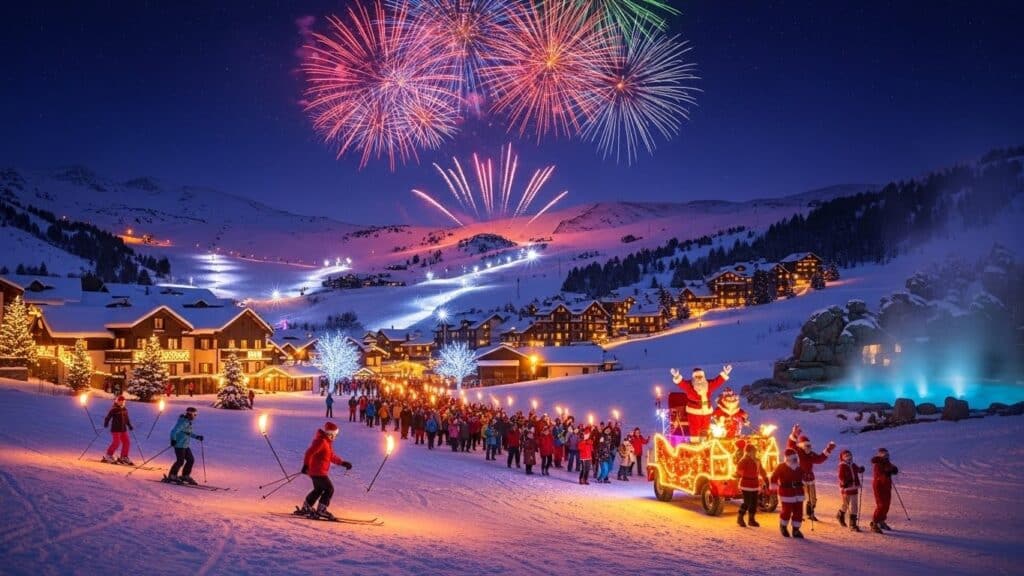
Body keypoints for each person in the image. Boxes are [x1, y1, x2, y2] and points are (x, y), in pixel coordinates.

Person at [298, 422, 352, 520]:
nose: (335, 437)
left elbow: (331, 456)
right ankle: (321, 510)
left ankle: (306, 507)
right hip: (318, 471)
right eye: (335, 434)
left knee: (318, 489)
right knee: (329, 489)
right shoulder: (322, 441)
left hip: (317, 471)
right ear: (330, 433)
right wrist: (306, 465)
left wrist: (342, 463)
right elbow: (309, 452)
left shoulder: (326, 442)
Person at [787, 424, 836, 521]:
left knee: (812, 498)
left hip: (810, 478)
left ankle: (810, 513)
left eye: (809, 446)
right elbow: (790, 446)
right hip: (800, 478)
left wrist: (828, 449)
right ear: (801, 446)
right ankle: (797, 514)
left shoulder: (811, 454)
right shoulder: (798, 452)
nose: (808, 448)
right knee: (799, 497)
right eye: (806, 446)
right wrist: (794, 434)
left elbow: (820, 459)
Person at [669, 364, 732, 437]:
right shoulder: (689, 386)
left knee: (705, 429)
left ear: (703, 376)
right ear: (693, 377)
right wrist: (677, 376)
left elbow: (717, 382)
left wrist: (725, 373)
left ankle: (704, 442)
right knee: (695, 430)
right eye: (696, 377)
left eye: (700, 376)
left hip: (707, 412)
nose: (699, 379)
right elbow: (681, 383)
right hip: (694, 412)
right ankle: (695, 443)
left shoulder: (708, 385)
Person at [770, 447, 806, 538]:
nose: (795, 460)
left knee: (799, 512)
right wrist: (773, 488)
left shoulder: (799, 467)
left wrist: (807, 478)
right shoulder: (781, 466)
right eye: (793, 458)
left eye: (796, 458)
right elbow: (774, 477)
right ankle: (783, 526)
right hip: (786, 493)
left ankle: (796, 530)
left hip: (798, 493)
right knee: (787, 511)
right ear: (788, 458)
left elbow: (804, 476)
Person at [166, 407, 204, 485]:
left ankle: (185, 476)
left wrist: (197, 437)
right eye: (194, 414)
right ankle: (172, 475)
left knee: (190, 460)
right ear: (190, 414)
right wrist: (173, 440)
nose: (195, 416)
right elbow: (173, 431)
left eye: (196, 414)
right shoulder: (183, 422)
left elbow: (188, 433)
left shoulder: (187, 422)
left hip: (185, 445)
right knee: (180, 461)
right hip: (179, 445)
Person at [734, 443, 769, 527]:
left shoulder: (757, 460)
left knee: (754, 502)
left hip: (755, 484)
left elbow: (761, 470)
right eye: (753, 451)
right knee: (747, 502)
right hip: (746, 484)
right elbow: (738, 469)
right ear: (748, 452)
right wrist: (743, 474)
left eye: (755, 451)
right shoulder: (744, 460)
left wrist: (765, 479)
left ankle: (751, 520)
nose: (754, 453)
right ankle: (740, 517)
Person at [870, 447, 899, 533]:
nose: (886, 456)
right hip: (879, 487)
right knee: (881, 505)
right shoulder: (878, 464)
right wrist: (887, 474)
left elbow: (891, 468)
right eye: (884, 455)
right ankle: (874, 523)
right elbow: (879, 475)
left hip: (887, 486)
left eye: (887, 455)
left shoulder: (887, 462)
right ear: (880, 455)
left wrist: (894, 469)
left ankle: (881, 520)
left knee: (886, 505)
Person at [837, 449, 866, 532]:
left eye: (849, 456)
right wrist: (844, 482)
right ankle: (840, 515)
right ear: (843, 458)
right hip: (846, 488)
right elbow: (840, 476)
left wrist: (860, 469)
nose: (848, 457)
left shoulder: (853, 465)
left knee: (854, 505)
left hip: (854, 487)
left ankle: (853, 524)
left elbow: (857, 470)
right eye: (846, 456)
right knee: (846, 504)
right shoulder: (842, 466)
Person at [102, 395, 134, 464]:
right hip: (116, 429)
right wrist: (106, 423)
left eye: (123, 401)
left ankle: (123, 457)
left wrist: (129, 425)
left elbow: (126, 419)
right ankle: (108, 455)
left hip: (123, 429)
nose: (121, 402)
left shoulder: (125, 409)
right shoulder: (114, 409)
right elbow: (108, 417)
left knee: (127, 442)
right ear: (117, 401)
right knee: (116, 443)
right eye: (120, 401)